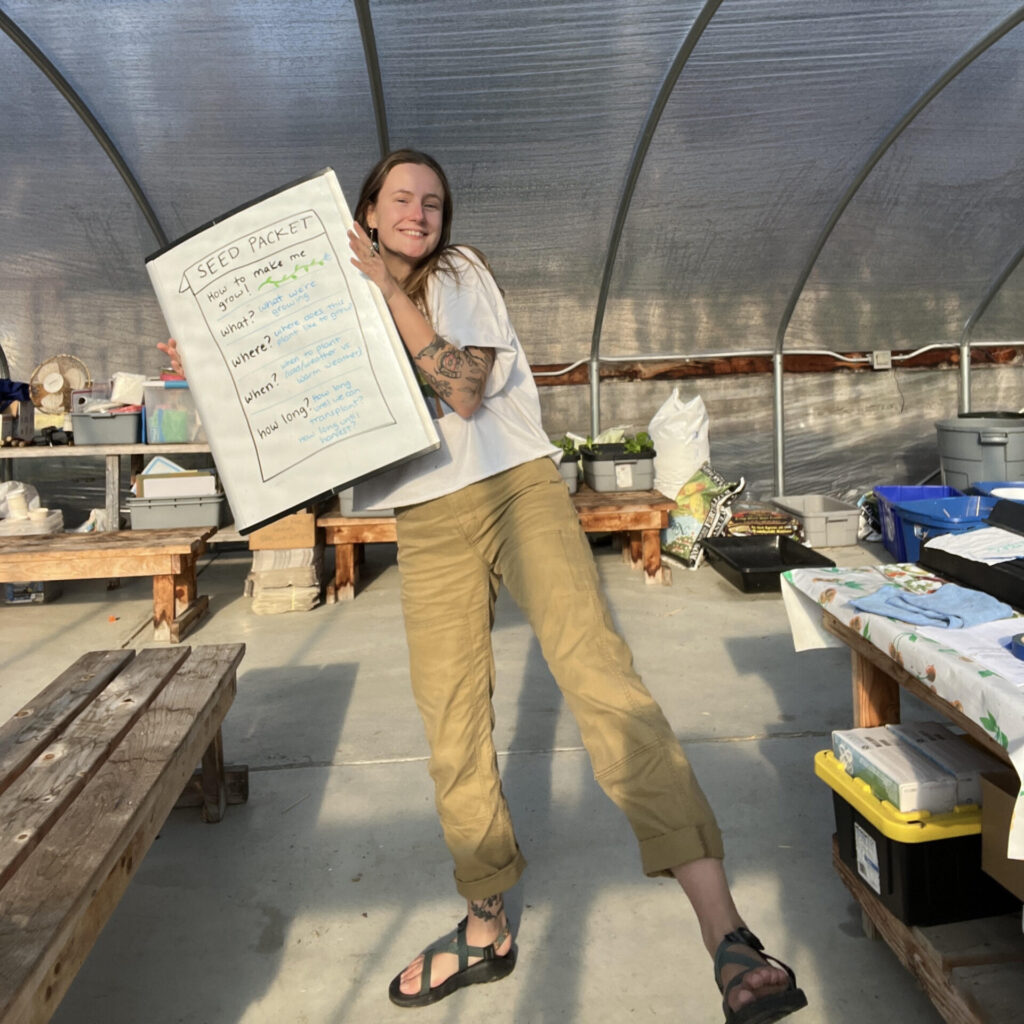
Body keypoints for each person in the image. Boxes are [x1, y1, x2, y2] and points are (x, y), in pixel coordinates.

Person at [160, 149, 807, 1024]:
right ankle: (484, 924)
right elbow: (286, 413)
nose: (418, 213)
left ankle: (725, 931)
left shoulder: (459, 274)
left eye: (432, 201)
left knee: (600, 678)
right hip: (422, 514)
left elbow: (463, 391)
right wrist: (214, 370)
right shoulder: (331, 305)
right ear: (366, 211)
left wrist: (388, 292)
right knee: (451, 719)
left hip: (513, 486)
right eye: (401, 198)